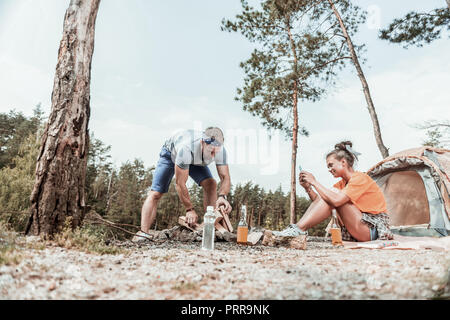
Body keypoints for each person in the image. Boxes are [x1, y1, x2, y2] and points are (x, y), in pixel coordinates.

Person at [273, 141, 393, 242]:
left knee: (334, 196)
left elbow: (336, 201)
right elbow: (319, 202)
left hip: (372, 230)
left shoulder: (359, 178)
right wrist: (308, 188)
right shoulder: (341, 184)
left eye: (331, 165)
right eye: (328, 167)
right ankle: (297, 229)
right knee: (330, 195)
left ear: (343, 162)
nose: (329, 170)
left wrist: (314, 182)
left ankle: (298, 230)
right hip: (357, 228)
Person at [132, 127, 232, 242]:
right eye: (211, 152)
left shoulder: (221, 151)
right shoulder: (186, 149)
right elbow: (180, 183)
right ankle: (143, 233)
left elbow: (225, 177)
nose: (213, 156)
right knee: (156, 193)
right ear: (202, 143)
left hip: (196, 159)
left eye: (216, 152)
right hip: (171, 154)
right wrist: (189, 209)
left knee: (211, 184)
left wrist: (222, 196)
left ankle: (209, 228)